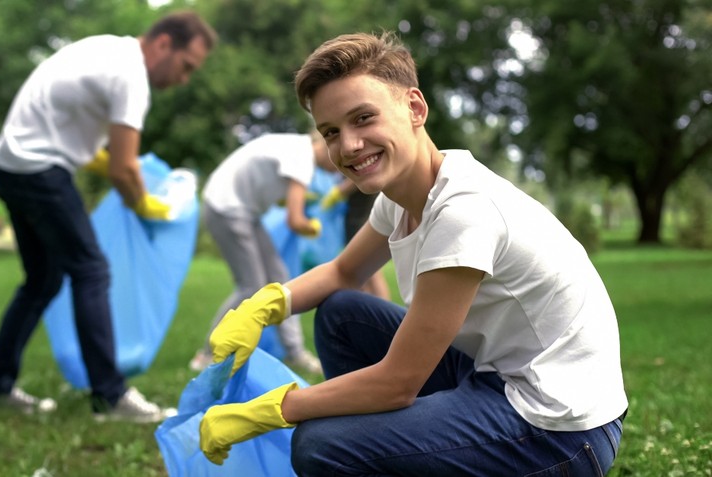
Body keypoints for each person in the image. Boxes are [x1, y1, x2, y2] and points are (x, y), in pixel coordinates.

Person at [198, 31, 628, 475]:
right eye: (331, 132)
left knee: (320, 445)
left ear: (415, 109)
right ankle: (390, 450)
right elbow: (344, 272)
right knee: (343, 314)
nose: (348, 145)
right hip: (491, 374)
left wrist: (274, 409)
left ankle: (376, 452)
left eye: (363, 118)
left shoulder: (464, 212)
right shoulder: (404, 194)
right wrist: (266, 306)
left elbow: (398, 384)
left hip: (558, 428)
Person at [0, 11, 217, 423]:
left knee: (43, 281)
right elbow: (123, 168)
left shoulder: (108, 50)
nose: (183, 79)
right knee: (91, 270)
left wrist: (125, 180)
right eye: (186, 66)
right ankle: (111, 396)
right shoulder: (131, 77)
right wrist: (145, 205)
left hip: (10, 166)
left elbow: (93, 151)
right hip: (38, 169)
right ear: (162, 45)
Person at [187, 132, 333, 375]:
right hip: (227, 208)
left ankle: (294, 352)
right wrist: (313, 227)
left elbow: (267, 186)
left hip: (241, 209)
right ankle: (208, 354)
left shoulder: (295, 145)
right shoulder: (303, 158)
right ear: (326, 144)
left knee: (282, 282)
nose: (338, 169)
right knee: (251, 286)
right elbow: (295, 221)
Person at [320, 178, 391, 300]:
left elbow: (362, 174)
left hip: (361, 215)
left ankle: (383, 308)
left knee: (370, 269)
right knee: (363, 272)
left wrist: (340, 191)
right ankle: (372, 309)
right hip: (355, 214)